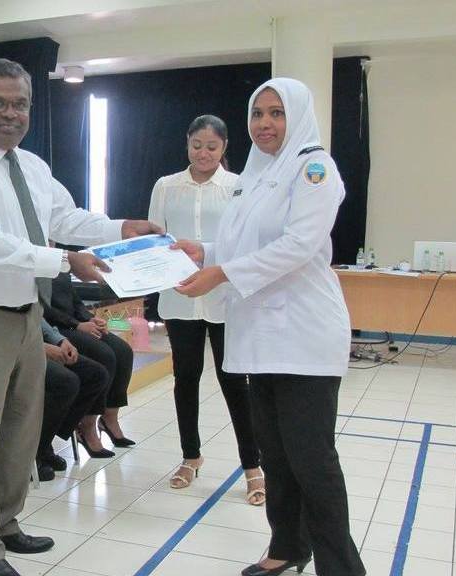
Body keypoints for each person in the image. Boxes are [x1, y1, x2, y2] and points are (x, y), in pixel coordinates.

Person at [0, 57, 160, 576]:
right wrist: (65, 261)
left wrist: (121, 227)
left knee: (19, 431)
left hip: (25, 317)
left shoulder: (32, 167)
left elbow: (65, 217)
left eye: (20, 104)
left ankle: (5, 524)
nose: (9, 114)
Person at [172, 79, 366, 576]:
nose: (264, 123)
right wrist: (204, 251)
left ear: (296, 116)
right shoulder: (254, 175)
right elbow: (245, 244)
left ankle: (342, 568)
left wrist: (222, 272)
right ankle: (288, 546)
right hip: (259, 337)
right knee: (277, 456)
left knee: (312, 461)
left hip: (303, 336)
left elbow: (298, 245)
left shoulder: (314, 168)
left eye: (277, 113)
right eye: (257, 113)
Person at [147, 115, 264, 503]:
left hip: (224, 295)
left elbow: (245, 241)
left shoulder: (238, 186)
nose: (203, 153)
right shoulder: (166, 186)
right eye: (197, 145)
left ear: (225, 147)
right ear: (187, 143)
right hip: (179, 296)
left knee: (235, 383)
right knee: (186, 378)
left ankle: (253, 466)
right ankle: (190, 456)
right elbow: (154, 239)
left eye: (211, 147)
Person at [43, 271, 134, 453]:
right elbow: (42, 309)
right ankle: (87, 425)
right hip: (57, 328)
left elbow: (73, 298)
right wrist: (76, 325)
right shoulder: (35, 267)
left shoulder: (60, 263)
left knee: (123, 351)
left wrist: (89, 318)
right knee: (104, 355)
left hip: (74, 323)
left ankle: (109, 418)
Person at [36, 319, 109, 481]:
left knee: (96, 374)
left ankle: (46, 440)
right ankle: (33, 452)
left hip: (37, 339)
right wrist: (39, 347)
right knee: (66, 383)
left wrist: (60, 340)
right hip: (13, 349)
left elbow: (36, 316)